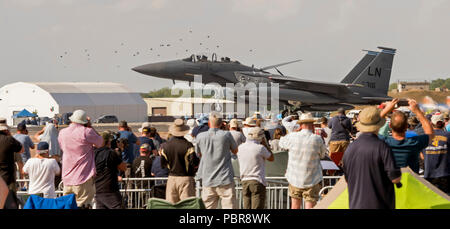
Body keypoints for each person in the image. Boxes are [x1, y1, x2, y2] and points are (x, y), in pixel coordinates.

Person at [342, 106, 402, 209]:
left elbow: (347, 179)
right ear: (379, 126)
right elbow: (395, 178)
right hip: (379, 205)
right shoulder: (382, 147)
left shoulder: (350, 148)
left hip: (355, 205)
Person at [279, 113, 327, 209]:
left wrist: (294, 132)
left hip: (294, 177)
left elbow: (281, 143)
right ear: (312, 125)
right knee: (310, 205)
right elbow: (322, 155)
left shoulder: (292, 136)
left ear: (301, 125)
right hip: (312, 177)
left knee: (295, 205)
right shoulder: (317, 139)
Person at [58, 110, 103, 208]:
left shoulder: (62, 133)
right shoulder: (87, 131)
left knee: (67, 205)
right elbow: (100, 143)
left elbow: (62, 148)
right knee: (84, 205)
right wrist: (90, 126)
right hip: (83, 177)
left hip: (67, 178)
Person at [195, 112, 238, 209]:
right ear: (221, 123)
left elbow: (198, 154)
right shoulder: (226, 135)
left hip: (207, 179)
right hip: (225, 178)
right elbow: (235, 150)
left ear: (209, 123)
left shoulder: (200, 136)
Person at [378, 99, 434, 174]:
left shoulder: (383, 142)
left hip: (388, 182)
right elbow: (430, 133)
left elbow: (369, 129)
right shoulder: (414, 143)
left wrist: (386, 109)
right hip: (410, 183)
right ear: (406, 126)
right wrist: (418, 112)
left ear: (390, 125)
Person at [160, 119, 200, 203]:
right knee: (187, 205)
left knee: (171, 206)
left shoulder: (165, 146)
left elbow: (163, 164)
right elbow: (194, 162)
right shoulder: (188, 145)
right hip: (186, 179)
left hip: (171, 178)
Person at [237, 127, 274, 209]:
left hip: (244, 180)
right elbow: (271, 158)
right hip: (257, 180)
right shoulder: (260, 148)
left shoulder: (240, 147)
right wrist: (265, 144)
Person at [94, 132, 127, 209]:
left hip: (97, 190)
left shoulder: (93, 153)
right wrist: (120, 152)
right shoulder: (111, 153)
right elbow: (123, 167)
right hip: (110, 191)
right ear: (108, 142)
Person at [422, 113, 450, 195]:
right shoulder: (448, 136)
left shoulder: (425, 137)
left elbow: (421, 155)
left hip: (429, 174)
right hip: (446, 174)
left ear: (431, 123)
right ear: (444, 123)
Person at [0, 120, 24, 209]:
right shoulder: (9, 140)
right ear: (6, 130)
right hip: (8, 178)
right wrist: (9, 136)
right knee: (10, 204)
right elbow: (22, 149)